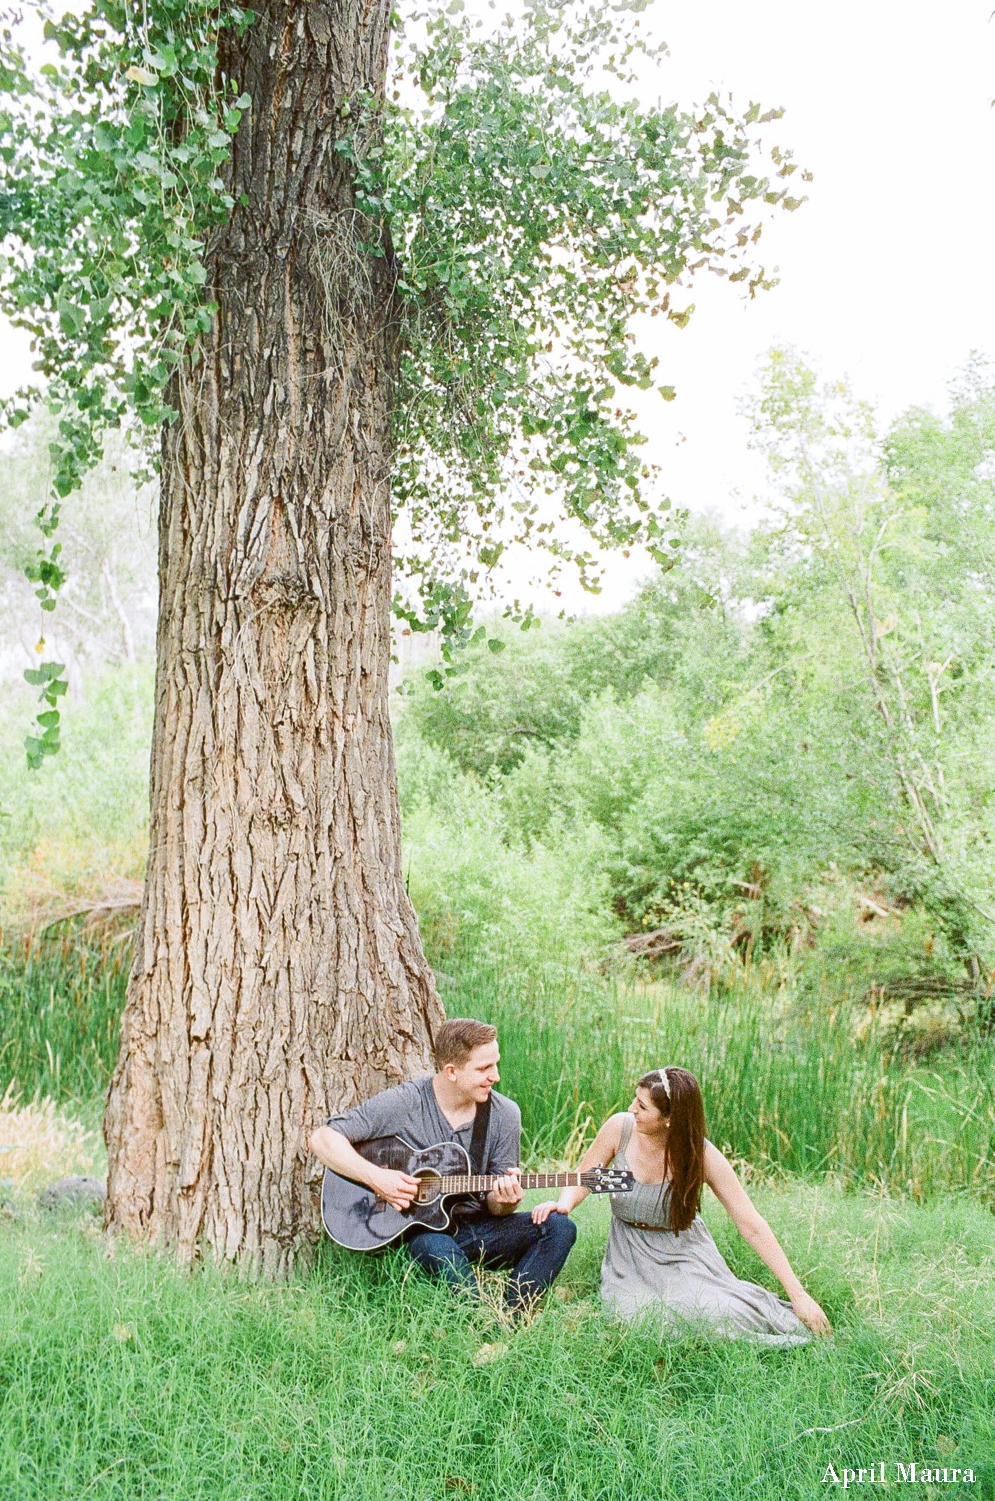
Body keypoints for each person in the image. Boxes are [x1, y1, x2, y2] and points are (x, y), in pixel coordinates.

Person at [531, 1066, 831, 1345]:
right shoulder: (619, 1129)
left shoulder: (700, 1154)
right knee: (636, 1320)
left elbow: (750, 1224)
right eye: (634, 1100)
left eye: (642, 1106)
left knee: (712, 1312)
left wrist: (799, 1293)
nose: (632, 1109)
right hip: (630, 1254)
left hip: (683, 1252)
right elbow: (586, 1177)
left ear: (669, 1119)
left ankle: (791, 1329)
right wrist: (564, 1204)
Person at [308, 1018, 577, 1312]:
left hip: (479, 1229)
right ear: (451, 1071)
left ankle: (514, 1315)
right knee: (438, 1249)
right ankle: (478, 1319)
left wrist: (504, 1200)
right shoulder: (407, 1102)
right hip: (422, 1233)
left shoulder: (504, 1115)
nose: (496, 1076)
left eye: (496, 1064)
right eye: (484, 1069)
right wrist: (376, 1179)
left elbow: (497, 1208)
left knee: (559, 1228)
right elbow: (323, 1138)